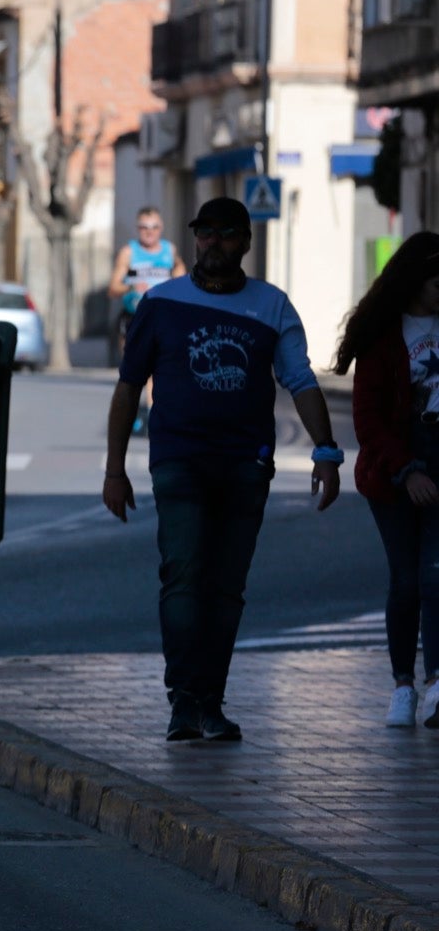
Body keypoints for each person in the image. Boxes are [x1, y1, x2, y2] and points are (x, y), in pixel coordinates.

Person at [102, 195, 341, 742]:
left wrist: (325, 449)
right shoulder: (160, 304)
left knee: (227, 586)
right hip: (178, 460)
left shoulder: (272, 305)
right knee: (184, 574)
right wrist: (115, 470)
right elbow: (127, 389)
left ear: (245, 242)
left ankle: (211, 701)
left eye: (224, 234)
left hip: (245, 464)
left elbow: (300, 381)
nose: (212, 243)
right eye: (203, 233)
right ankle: (183, 701)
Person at [334, 231, 439, 727]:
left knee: (435, 576)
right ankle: (403, 685)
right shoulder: (383, 334)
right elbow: (367, 418)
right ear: (418, 281)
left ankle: (437, 682)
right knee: (406, 580)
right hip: (394, 467)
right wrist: (405, 470)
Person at [109, 207, 184, 428]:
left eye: (154, 227)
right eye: (144, 227)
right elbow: (113, 288)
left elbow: (182, 278)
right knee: (131, 371)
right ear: (137, 229)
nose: (149, 232)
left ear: (161, 229)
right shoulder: (129, 253)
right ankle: (131, 413)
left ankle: (153, 414)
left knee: (156, 368)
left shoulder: (169, 252)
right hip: (133, 317)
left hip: (162, 317)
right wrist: (130, 286)